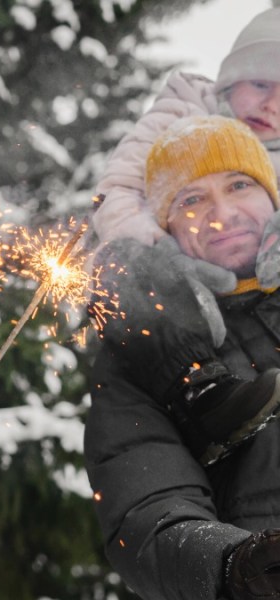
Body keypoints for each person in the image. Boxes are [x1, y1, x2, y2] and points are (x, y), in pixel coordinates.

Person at [85, 115, 280, 600]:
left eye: (239, 185)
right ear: (164, 223)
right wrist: (235, 564)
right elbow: (148, 512)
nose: (222, 213)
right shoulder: (140, 348)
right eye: (191, 199)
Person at [91, 6, 280, 248]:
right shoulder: (183, 111)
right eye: (260, 85)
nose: (271, 106)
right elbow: (120, 192)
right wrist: (153, 251)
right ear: (232, 80)